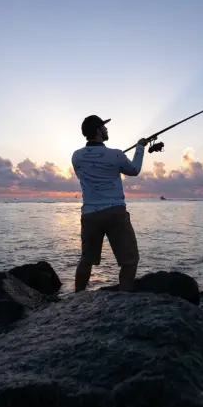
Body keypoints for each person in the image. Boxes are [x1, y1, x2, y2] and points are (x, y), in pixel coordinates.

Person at [71, 115, 147, 292]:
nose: (106, 130)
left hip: (89, 215)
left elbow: (96, 164)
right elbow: (134, 170)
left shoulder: (76, 157)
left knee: (86, 259)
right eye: (104, 127)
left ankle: (76, 298)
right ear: (98, 130)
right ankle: (124, 299)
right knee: (129, 261)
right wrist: (140, 147)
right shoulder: (116, 154)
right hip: (115, 213)